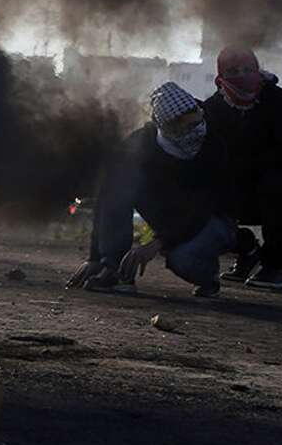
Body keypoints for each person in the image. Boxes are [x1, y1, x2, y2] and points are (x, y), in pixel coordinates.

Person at [67, 82, 235, 298]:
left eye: (198, 122)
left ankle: (209, 276)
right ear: (167, 128)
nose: (197, 131)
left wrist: (158, 243)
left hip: (211, 219)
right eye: (188, 127)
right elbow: (109, 197)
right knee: (122, 183)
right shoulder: (140, 146)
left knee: (183, 259)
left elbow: (204, 207)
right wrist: (95, 257)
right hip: (170, 217)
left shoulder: (214, 143)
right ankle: (117, 270)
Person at [202, 47, 282, 289]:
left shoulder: (279, 101)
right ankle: (246, 250)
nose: (242, 76)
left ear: (258, 70)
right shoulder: (214, 108)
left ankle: (274, 266)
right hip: (238, 188)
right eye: (233, 71)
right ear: (220, 77)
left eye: (248, 69)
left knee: (276, 182)